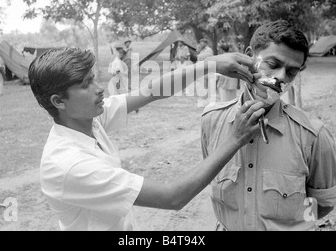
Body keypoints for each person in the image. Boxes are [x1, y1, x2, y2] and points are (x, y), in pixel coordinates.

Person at [28, 47, 264, 231]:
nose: (99, 89)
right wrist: (235, 138)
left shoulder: (86, 120)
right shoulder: (69, 165)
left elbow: (150, 92)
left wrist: (209, 65)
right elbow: (172, 196)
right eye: (85, 85)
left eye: (93, 78)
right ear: (59, 101)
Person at [201, 20, 336, 231]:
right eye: (273, 64)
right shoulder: (212, 121)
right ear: (249, 56)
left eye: (292, 72)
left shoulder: (313, 136)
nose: (280, 77)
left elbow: (322, 203)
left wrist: (297, 225)